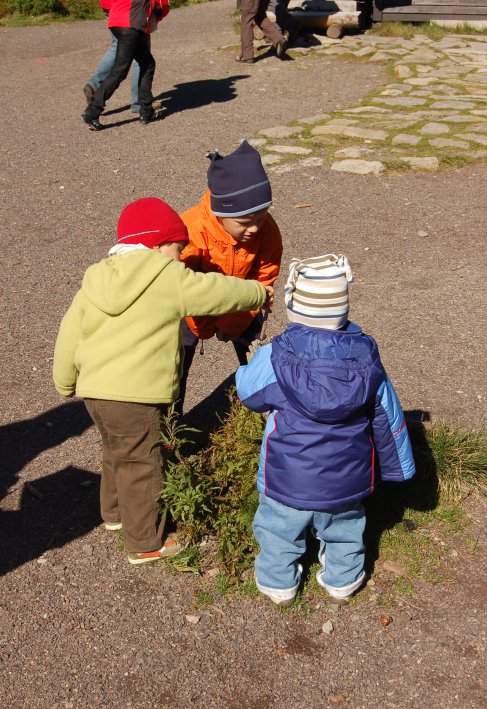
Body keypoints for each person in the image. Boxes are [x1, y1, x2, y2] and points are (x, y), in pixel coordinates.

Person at [53, 198, 273, 565]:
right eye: (178, 248)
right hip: (137, 394)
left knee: (116, 451)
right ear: (157, 245)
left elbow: (69, 332)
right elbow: (215, 291)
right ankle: (145, 541)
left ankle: (115, 514)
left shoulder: (96, 279)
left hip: (96, 392)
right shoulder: (166, 277)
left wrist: (65, 382)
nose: (181, 256)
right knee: (144, 463)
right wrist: (257, 292)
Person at [235, 253, 416, 606]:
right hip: (347, 480)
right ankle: (342, 581)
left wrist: (251, 363)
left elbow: (248, 393)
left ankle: (278, 584)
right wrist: (399, 469)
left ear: (293, 307)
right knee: (345, 531)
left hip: (286, 478)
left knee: (277, 530)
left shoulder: (276, 357)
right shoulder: (366, 360)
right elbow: (388, 417)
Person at [177, 139, 283, 418]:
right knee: (174, 364)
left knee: (259, 354)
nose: (255, 228)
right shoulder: (191, 230)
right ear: (220, 214)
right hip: (192, 310)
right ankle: (169, 423)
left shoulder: (267, 231)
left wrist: (233, 322)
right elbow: (182, 288)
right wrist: (206, 324)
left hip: (243, 302)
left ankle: (267, 415)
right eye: (245, 223)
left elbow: (264, 278)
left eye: (261, 218)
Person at [81, 0, 169, 131]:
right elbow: (161, 5)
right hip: (130, 23)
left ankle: (146, 109)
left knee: (147, 63)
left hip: (115, 18)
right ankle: (92, 111)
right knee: (120, 71)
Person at [83, 0, 146, 114]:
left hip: (109, 5)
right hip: (131, 10)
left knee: (117, 46)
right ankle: (140, 103)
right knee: (141, 57)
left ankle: (94, 85)